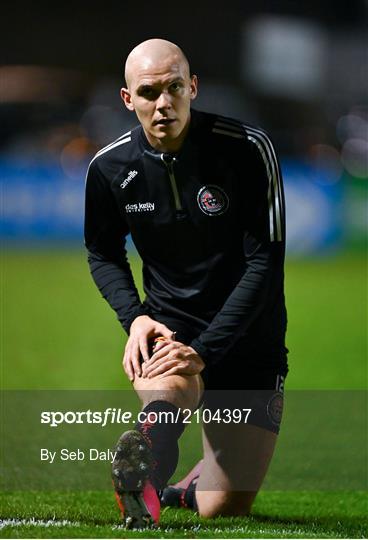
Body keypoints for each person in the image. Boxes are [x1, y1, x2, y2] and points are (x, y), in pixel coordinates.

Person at [84, 38, 288, 528]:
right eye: (149, 92)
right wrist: (135, 319)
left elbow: (265, 261)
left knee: (227, 507)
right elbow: (103, 253)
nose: (163, 103)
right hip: (170, 327)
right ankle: (143, 472)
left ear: (192, 87)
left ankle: (182, 487)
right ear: (128, 99)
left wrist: (209, 349)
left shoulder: (246, 149)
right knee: (168, 395)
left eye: (174, 87)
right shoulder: (109, 169)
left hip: (249, 337)